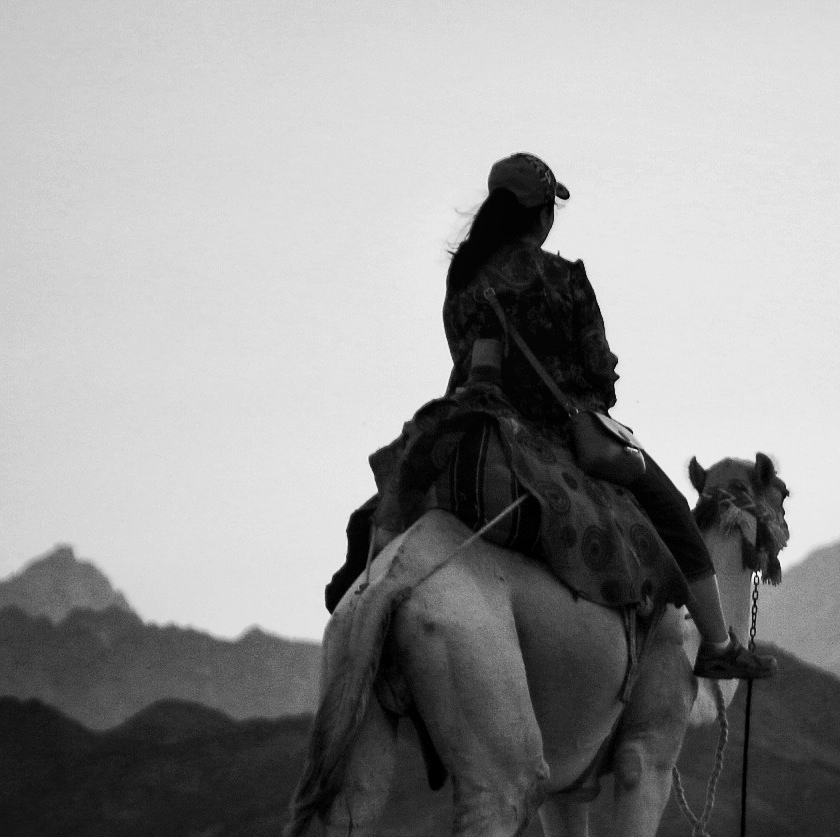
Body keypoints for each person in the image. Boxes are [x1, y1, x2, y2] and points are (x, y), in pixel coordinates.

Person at [328, 152, 773, 681]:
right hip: (564, 435)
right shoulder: (563, 278)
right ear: (541, 213)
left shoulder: (462, 281)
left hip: (477, 419)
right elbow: (600, 373)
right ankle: (719, 645)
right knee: (672, 507)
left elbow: (465, 359)